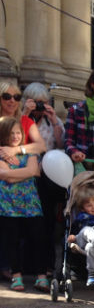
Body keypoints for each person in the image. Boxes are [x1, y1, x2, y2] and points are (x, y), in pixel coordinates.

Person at [0, 117, 49, 292]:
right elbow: (3, 174)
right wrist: (23, 173)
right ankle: (16, 276)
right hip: (8, 205)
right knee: (12, 241)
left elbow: (34, 170)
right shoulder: (0, 152)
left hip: (31, 204)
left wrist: (13, 174)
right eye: (11, 133)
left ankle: (41, 276)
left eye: (18, 132)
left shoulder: (30, 152)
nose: (15, 136)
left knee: (38, 239)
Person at [22, 82, 66, 275]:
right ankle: (26, 264)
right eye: (37, 102)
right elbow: (16, 137)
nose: (40, 107)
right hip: (25, 175)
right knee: (25, 222)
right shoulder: (22, 118)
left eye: (44, 102)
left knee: (47, 222)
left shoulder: (50, 122)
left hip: (48, 177)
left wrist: (54, 119)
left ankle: (47, 265)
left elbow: (61, 143)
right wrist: (25, 112)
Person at [0, 82, 47, 161]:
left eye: (16, 97)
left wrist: (16, 150)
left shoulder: (26, 121)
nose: (12, 100)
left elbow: (42, 146)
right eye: (7, 96)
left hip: (22, 168)